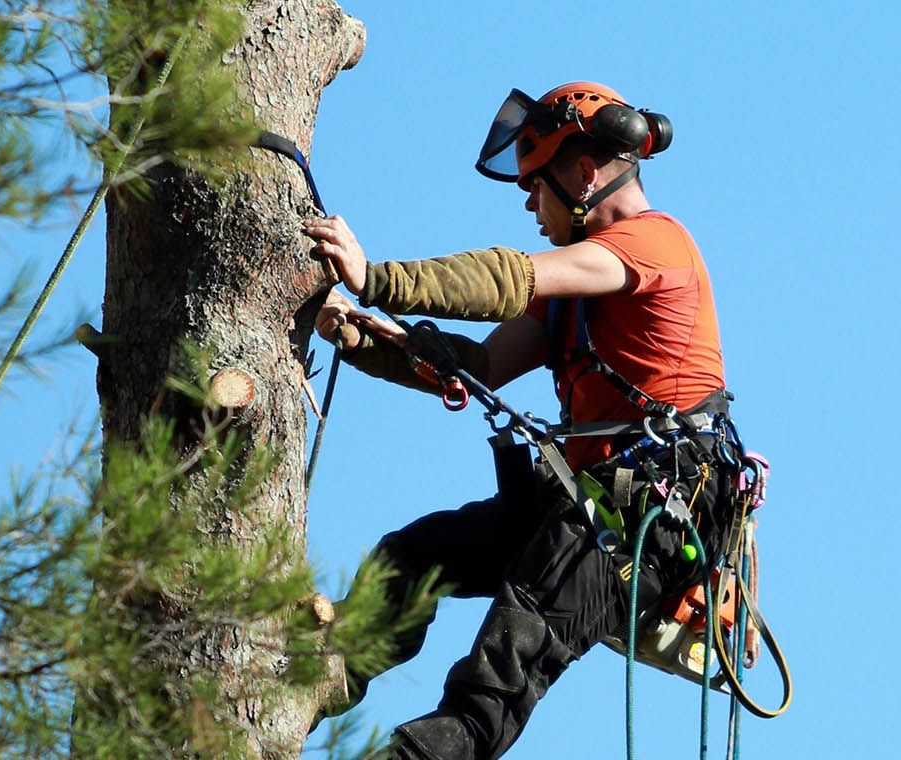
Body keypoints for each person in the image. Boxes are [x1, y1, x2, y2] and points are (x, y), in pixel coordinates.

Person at [305, 81, 745, 760]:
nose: (529, 203)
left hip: (654, 507)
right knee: (414, 558)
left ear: (585, 172)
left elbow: (508, 278)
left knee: (504, 664)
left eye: (537, 185)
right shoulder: (573, 301)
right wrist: (362, 338)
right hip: (592, 500)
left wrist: (377, 278)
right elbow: (475, 365)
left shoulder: (653, 245)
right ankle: (314, 679)